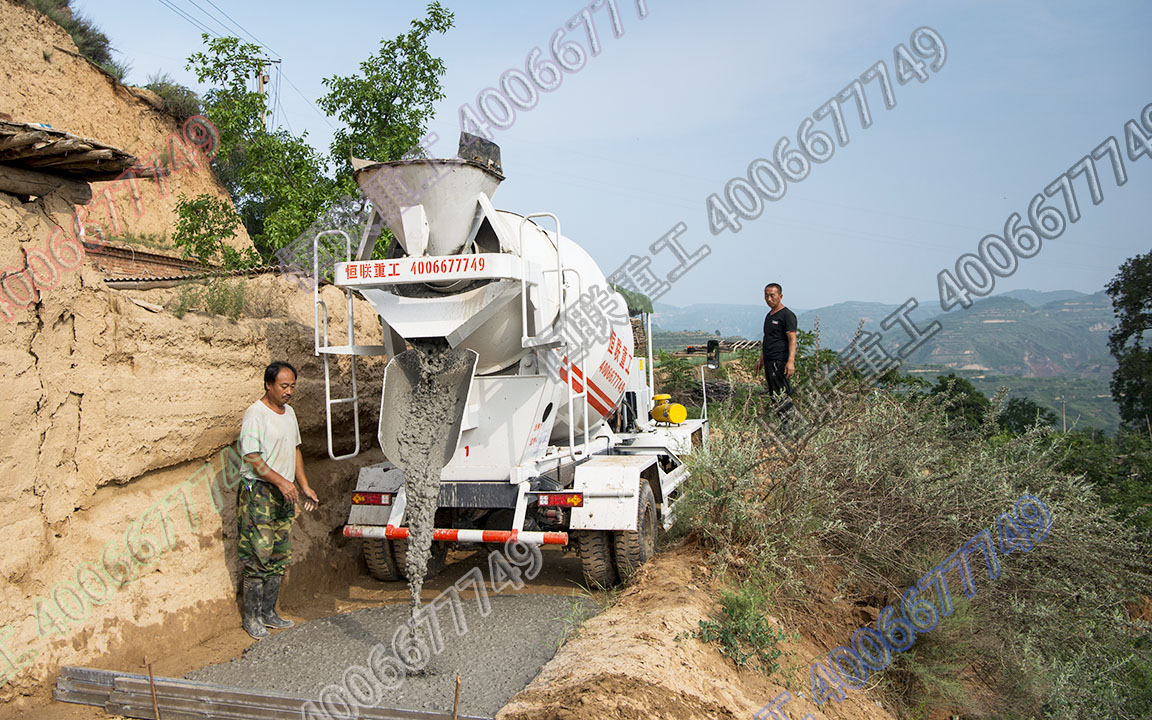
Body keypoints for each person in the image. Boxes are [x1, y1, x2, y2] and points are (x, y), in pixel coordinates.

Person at [236, 361, 319, 639]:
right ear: (268, 385)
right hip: (259, 492)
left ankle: (269, 612)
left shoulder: (290, 413)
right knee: (258, 554)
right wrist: (282, 482)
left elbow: (294, 451)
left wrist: (303, 485)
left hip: (285, 492)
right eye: (284, 386)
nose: (289, 391)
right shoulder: (255, 414)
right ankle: (252, 617)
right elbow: (252, 457)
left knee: (279, 553)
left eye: (292, 386)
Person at [754, 283, 798, 403]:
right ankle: (780, 420)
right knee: (774, 395)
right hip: (769, 359)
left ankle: (789, 420)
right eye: (766, 296)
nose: (769, 299)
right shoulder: (769, 316)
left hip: (779, 360)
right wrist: (761, 359)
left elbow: (792, 339)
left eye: (772, 296)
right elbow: (768, 338)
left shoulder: (787, 315)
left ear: (780, 296)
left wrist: (790, 362)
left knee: (781, 394)